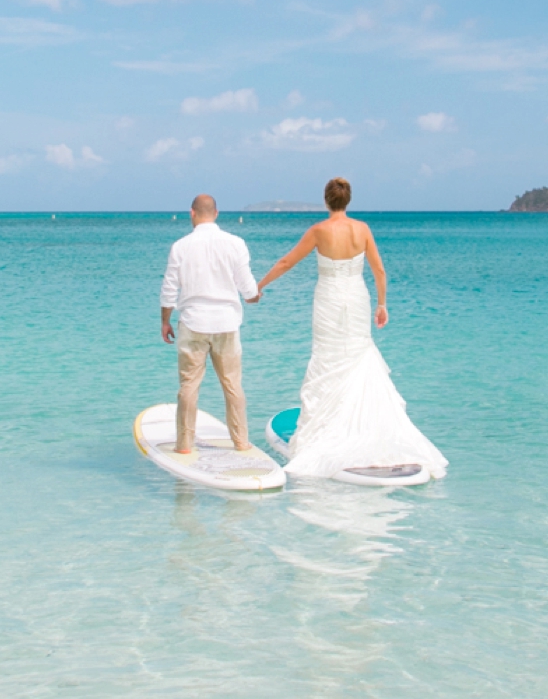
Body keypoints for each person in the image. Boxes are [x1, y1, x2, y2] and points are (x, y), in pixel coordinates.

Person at [254, 177, 447, 480]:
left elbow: (286, 261)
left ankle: (330, 426)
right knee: (358, 355)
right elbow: (379, 269)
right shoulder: (363, 230)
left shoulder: (318, 231)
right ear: (348, 200)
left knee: (328, 358)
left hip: (329, 300)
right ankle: (363, 426)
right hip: (357, 298)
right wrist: (382, 304)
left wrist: (258, 286)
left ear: (326, 200)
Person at [159, 193, 262, 456]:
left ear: (191, 213)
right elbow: (248, 289)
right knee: (232, 385)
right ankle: (241, 442)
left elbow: (169, 288)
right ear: (216, 213)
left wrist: (165, 321)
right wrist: (254, 296)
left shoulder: (180, 246)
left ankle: (183, 445)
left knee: (189, 385)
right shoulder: (236, 243)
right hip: (226, 323)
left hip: (193, 323)